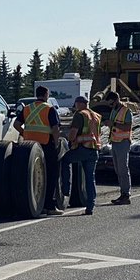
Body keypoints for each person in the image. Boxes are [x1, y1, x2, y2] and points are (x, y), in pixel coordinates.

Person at [14, 85, 63, 215]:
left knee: (33, 176)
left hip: (29, 146)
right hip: (46, 144)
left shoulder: (27, 108)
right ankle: (49, 206)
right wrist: (57, 142)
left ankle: (37, 202)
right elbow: (55, 128)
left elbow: (16, 124)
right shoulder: (49, 109)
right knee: (51, 175)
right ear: (46, 95)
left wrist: (24, 133)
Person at [65, 94, 102, 215]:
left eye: (76, 104)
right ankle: (90, 207)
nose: (75, 107)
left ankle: (65, 189)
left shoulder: (80, 114)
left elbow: (72, 134)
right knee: (90, 178)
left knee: (64, 161)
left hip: (83, 149)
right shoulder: (96, 116)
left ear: (80, 104)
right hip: (94, 150)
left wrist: (68, 139)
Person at [106, 90, 133, 205]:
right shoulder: (114, 110)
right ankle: (123, 193)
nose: (110, 105)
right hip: (115, 142)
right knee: (118, 169)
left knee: (123, 169)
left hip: (123, 142)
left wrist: (113, 124)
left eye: (111, 103)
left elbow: (128, 126)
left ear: (116, 100)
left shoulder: (126, 111)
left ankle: (126, 194)